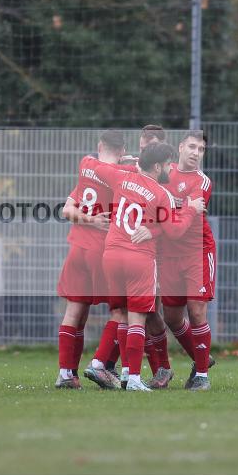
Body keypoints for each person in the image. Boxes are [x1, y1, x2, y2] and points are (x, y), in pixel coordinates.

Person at [93, 142, 193, 391]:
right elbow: (175, 232)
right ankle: (135, 379)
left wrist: (125, 160)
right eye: (168, 163)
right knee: (138, 319)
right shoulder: (161, 195)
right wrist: (190, 211)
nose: (171, 167)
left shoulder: (121, 177)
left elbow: (93, 166)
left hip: (111, 254)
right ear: (158, 166)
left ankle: (124, 371)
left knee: (122, 316)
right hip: (138, 258)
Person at [56, 130, 126, 389]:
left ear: (100, 145)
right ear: (122, 150)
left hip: (77, 248)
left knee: (75, 312)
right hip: (101, 250)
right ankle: (100, 365)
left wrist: (88, 219)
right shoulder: (121, 177)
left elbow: (66, 210)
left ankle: (66, 374)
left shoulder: (86, 166)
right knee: (122, 311)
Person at [158, 130, 217, 391]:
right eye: (192, 147)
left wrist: (166, 211)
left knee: (196, 312)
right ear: (180, 147)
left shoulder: (202, 182)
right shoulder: (163, 172)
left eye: (201, 149)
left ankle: (202, 375)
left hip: (197, 251)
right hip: (168, 253)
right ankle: (202, 357)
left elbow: (180, 221)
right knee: (171, 317)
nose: (195, 153)